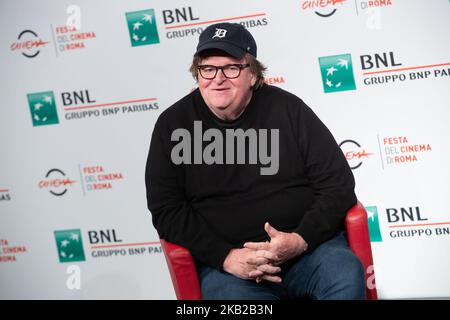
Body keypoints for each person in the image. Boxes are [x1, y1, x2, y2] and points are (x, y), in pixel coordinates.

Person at [145, 22, 365, 300]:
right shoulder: (172, 125)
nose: (218, 78)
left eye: (231, 68)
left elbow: (338, 184)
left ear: (252, 74)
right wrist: (225, 257)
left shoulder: (288, 110)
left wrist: (300, 240)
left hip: (308, 254)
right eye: (208, 68)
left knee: (345, 274)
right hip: (232, 271)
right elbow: (166, 209)